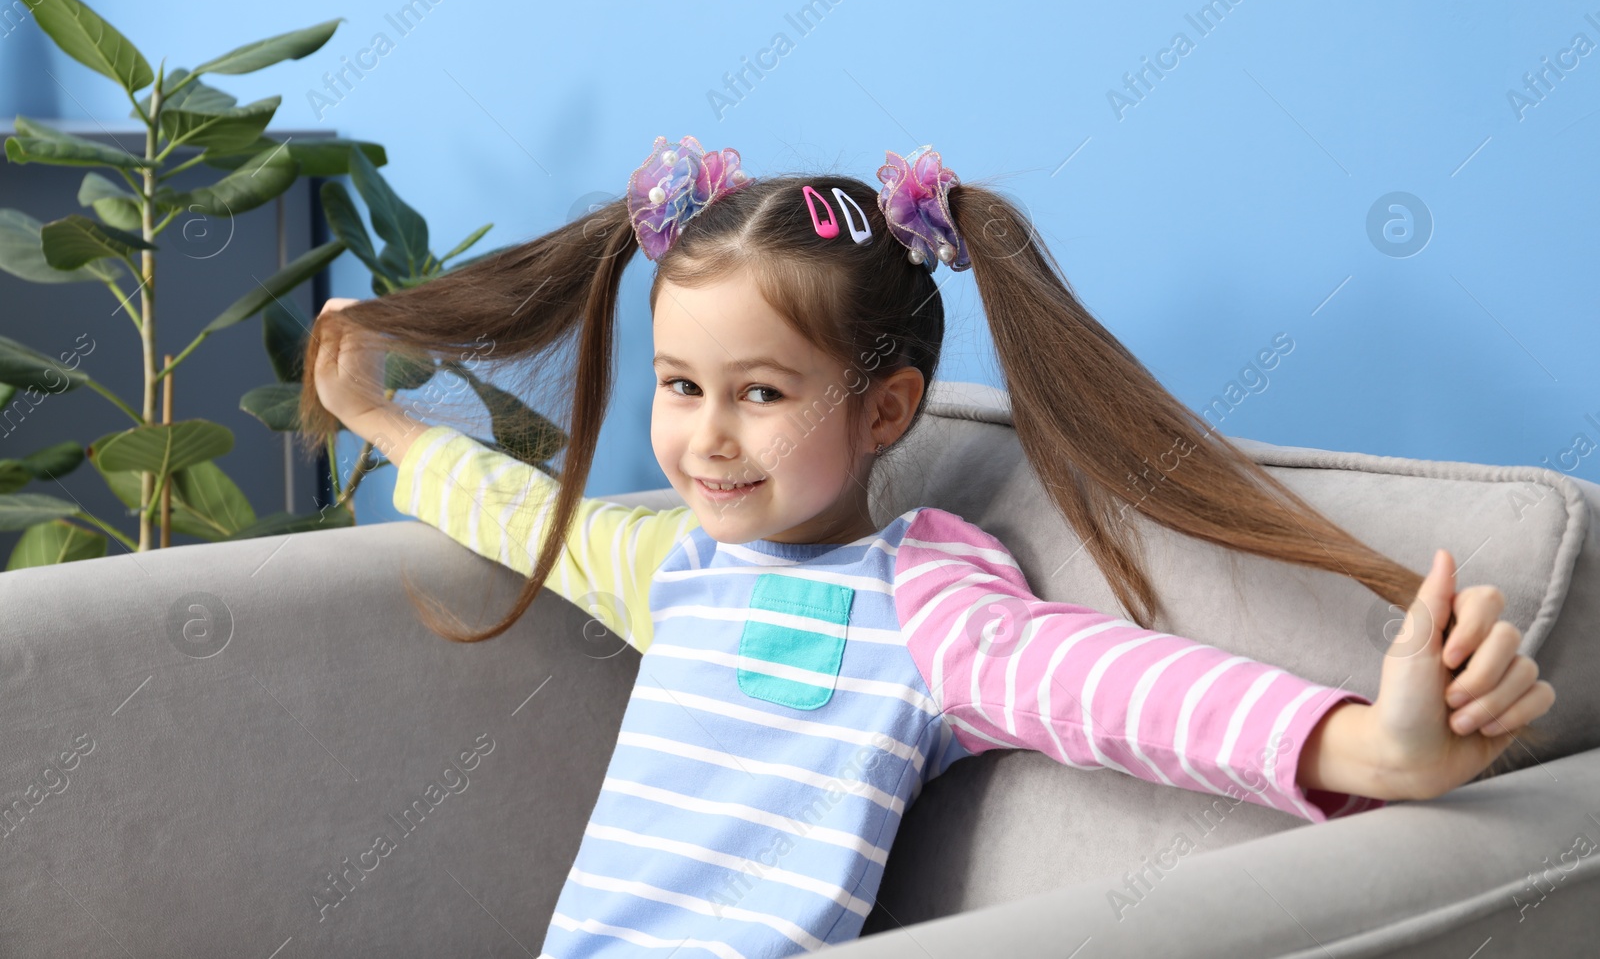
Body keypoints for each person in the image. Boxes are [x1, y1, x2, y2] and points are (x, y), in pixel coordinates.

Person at [303, 135, 1555, 958]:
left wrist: (1371, 747)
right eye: (680, 384)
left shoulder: (923, 601)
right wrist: (381, 420)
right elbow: (532, 518)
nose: (706, 440)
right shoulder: (674, 562)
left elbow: (1121, 691)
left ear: (887, 408)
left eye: (760, 393)